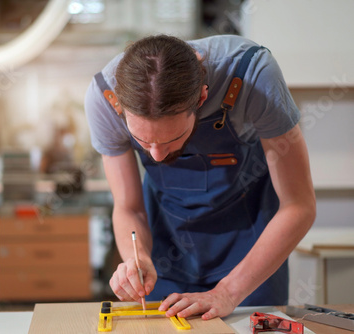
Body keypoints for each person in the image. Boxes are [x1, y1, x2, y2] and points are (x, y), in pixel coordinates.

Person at [84, 34, 316, 320]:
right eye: (143, 141)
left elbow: (299, 205)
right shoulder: (103, 99)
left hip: (251, 246)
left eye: (172, 138)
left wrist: (229, 292)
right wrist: (137, 258)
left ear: (202, 98)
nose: (156, 157)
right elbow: (128, 207)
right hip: (168, 246)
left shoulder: (254, 75)